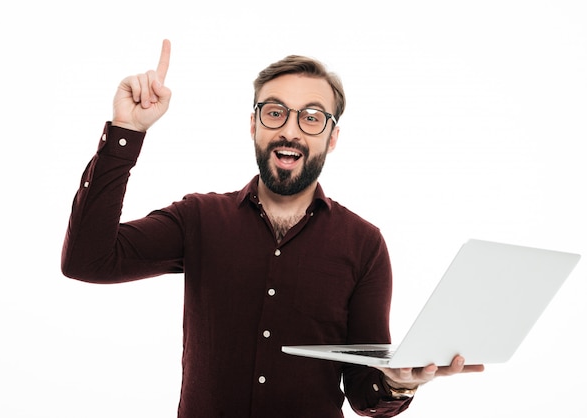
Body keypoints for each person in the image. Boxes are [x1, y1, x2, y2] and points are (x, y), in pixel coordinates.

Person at [61, 39, 484, 418]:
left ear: (332, 138)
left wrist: (396, 382)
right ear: (254, 125)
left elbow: (363, 395)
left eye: (312, 118)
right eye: (275, 112)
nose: (290, 130)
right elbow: (87, 260)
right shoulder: (199, 218)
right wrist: (126, 132)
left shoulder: (364, 245)